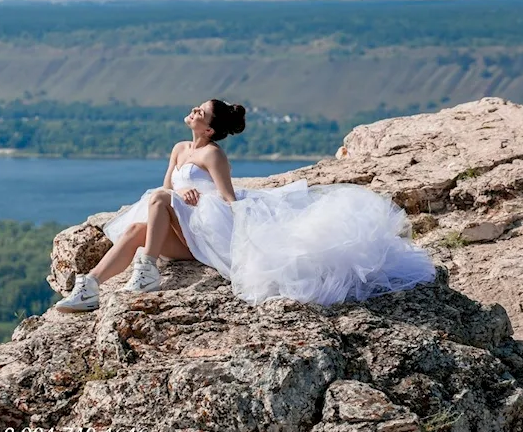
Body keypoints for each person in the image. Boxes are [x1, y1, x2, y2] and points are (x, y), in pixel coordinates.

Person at [54, 99, 435, 312]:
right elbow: (166, 190)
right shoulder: (179, 149)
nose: (194, 111)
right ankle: (91, 288)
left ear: (209, 130)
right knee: (140, 226)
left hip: (204, 234)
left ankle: (147, 271)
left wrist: (195, 198)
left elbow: (229, 200)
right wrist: (177, 198)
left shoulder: (214, 157)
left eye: (200, 113)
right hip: (177, 226)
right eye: (197, 109)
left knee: (156, 202)